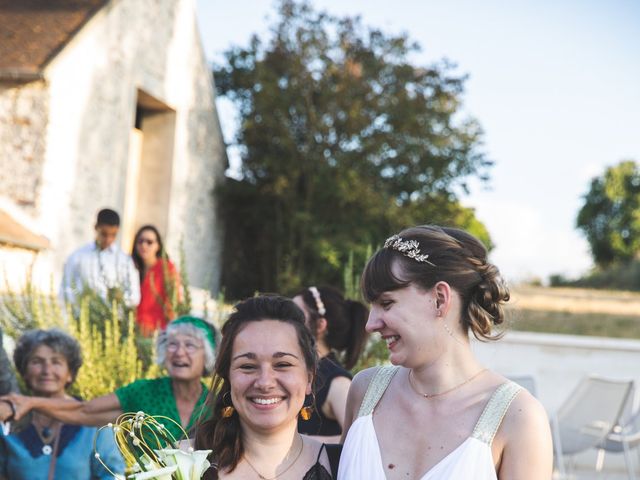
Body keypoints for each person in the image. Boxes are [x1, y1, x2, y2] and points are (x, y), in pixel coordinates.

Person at [338, 225, 553, 480]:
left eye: (386, 303)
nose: (370, 324)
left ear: (440, 299)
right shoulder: (365, 392)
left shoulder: (518, 417)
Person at [195, 295, 342, 479]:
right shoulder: (179, 464)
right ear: (229, 377)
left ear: (309, 379)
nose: (265, 383)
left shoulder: (345, 466)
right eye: (248, 366)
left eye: (282, 364)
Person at [3, 316, 216, 442]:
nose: (179, 352)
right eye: (172, 344)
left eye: (189, 345)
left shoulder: (218, 404)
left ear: (207, 355)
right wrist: (30, 402)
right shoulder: (143, 392)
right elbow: (83, 410)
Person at [0, 329, 124, 480]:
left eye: (56, 362)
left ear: (70, 373)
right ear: (24, 371)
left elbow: (113, 475)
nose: (47, 370)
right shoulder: (8, 421)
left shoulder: (93, 421)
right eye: (37, 362)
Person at [293, 286, 368, 441]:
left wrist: (298, 445)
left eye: (294, 316)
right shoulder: (297, 371)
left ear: (320, 325)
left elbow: (361, 440)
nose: (284, 322)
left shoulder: (338, 383)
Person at [60, 208, 140, 308]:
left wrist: (119, 300)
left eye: (113, 235)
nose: (108, 239)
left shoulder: (125, 261)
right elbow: (66, 289)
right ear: (95, 227)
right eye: (104, 234)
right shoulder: (78, 257)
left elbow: (134, 296)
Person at [132, 225, 180, 335]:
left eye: (149, 242)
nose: (144, 245)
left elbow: (174, 302)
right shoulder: (131, 267)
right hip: (134, 332)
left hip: (158, 332)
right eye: (140, 241)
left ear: (158, 246)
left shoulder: (167, 268)